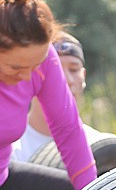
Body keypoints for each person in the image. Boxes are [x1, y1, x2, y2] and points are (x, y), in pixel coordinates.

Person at [0, 0, 96, 190]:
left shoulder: (44, 61)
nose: (26, 76)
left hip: (5, 181)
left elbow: (68, 129)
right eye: (16, 67)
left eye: (34, 66)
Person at [11, 31, 106, 162]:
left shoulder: (102, 145)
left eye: (73, 69)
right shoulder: (9, 149)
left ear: (83, 76)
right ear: (31, 77)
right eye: (56, 71)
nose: (68, 80)